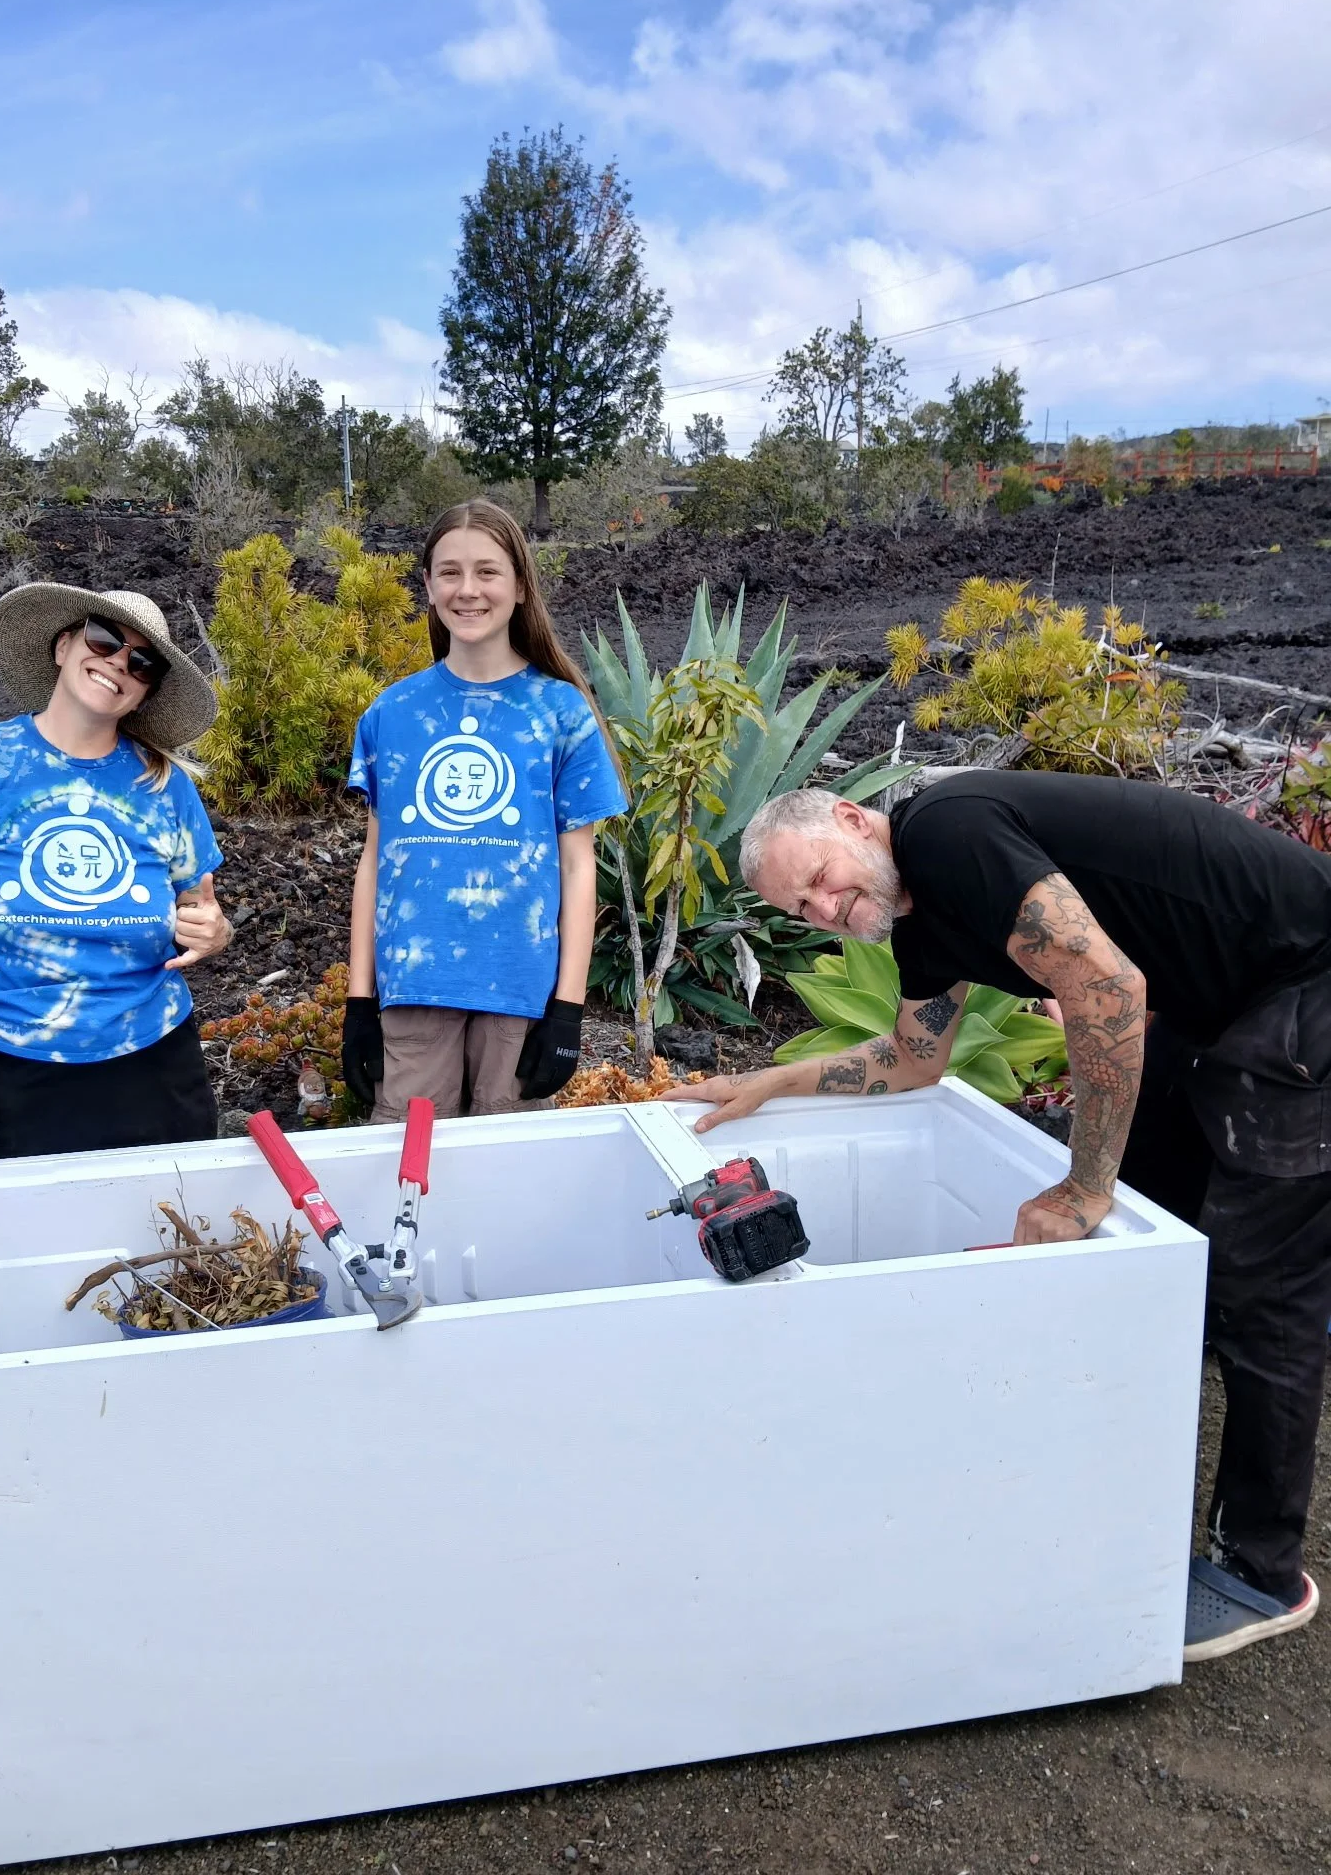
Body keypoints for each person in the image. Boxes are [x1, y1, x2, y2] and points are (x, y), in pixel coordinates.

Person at [667, 771, 1331, 1663]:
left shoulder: (948, 832)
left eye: (822, 875)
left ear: (856, 820)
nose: (825, 907)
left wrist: (1083, 1187)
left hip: (1304, 978)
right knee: (1162, 1225)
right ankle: (1143, 1435)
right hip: (1216, 998)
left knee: (1264, 1278)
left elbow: (1105, 989)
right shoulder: (926, 920)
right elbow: (913, 1060)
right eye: (804, 908)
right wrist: (774, 1081)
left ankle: (1262, 1572)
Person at [0, 584, 232, 1164]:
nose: (116, 664)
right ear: (62, 646)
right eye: (104, 640)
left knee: (169, 1238)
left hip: (153, 1059)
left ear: (144, 693)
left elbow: (200, 910)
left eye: (141, 661)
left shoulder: (164, 785)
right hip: (14, 1066)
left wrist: (214, 933)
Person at [342, 500, 627, 1121]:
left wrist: (569, 1009)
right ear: (428, 585)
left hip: (520, 992)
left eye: (487, 572)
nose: (467, 590)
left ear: (521, 586)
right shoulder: (391, 714)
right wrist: (359, 1001)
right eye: (448, 572)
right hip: (413, 986)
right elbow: (374, 861)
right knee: (409, 1168)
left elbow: (580, 870)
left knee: (504, 1177)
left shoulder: (562, 713)